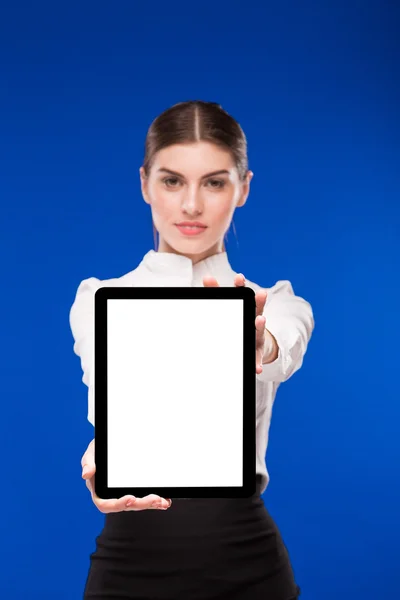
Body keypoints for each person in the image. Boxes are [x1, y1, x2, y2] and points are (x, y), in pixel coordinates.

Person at [69, 100, 314, 600]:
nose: (191, 206)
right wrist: (104, 453)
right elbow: (111, 403)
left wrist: (255, 344)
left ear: (243, 188)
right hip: (131, 559)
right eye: (173, 180)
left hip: (247, 558)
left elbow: (279, 349)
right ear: (145, 184)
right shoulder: (97, 298)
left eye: (215, 182)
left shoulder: (280, 303)